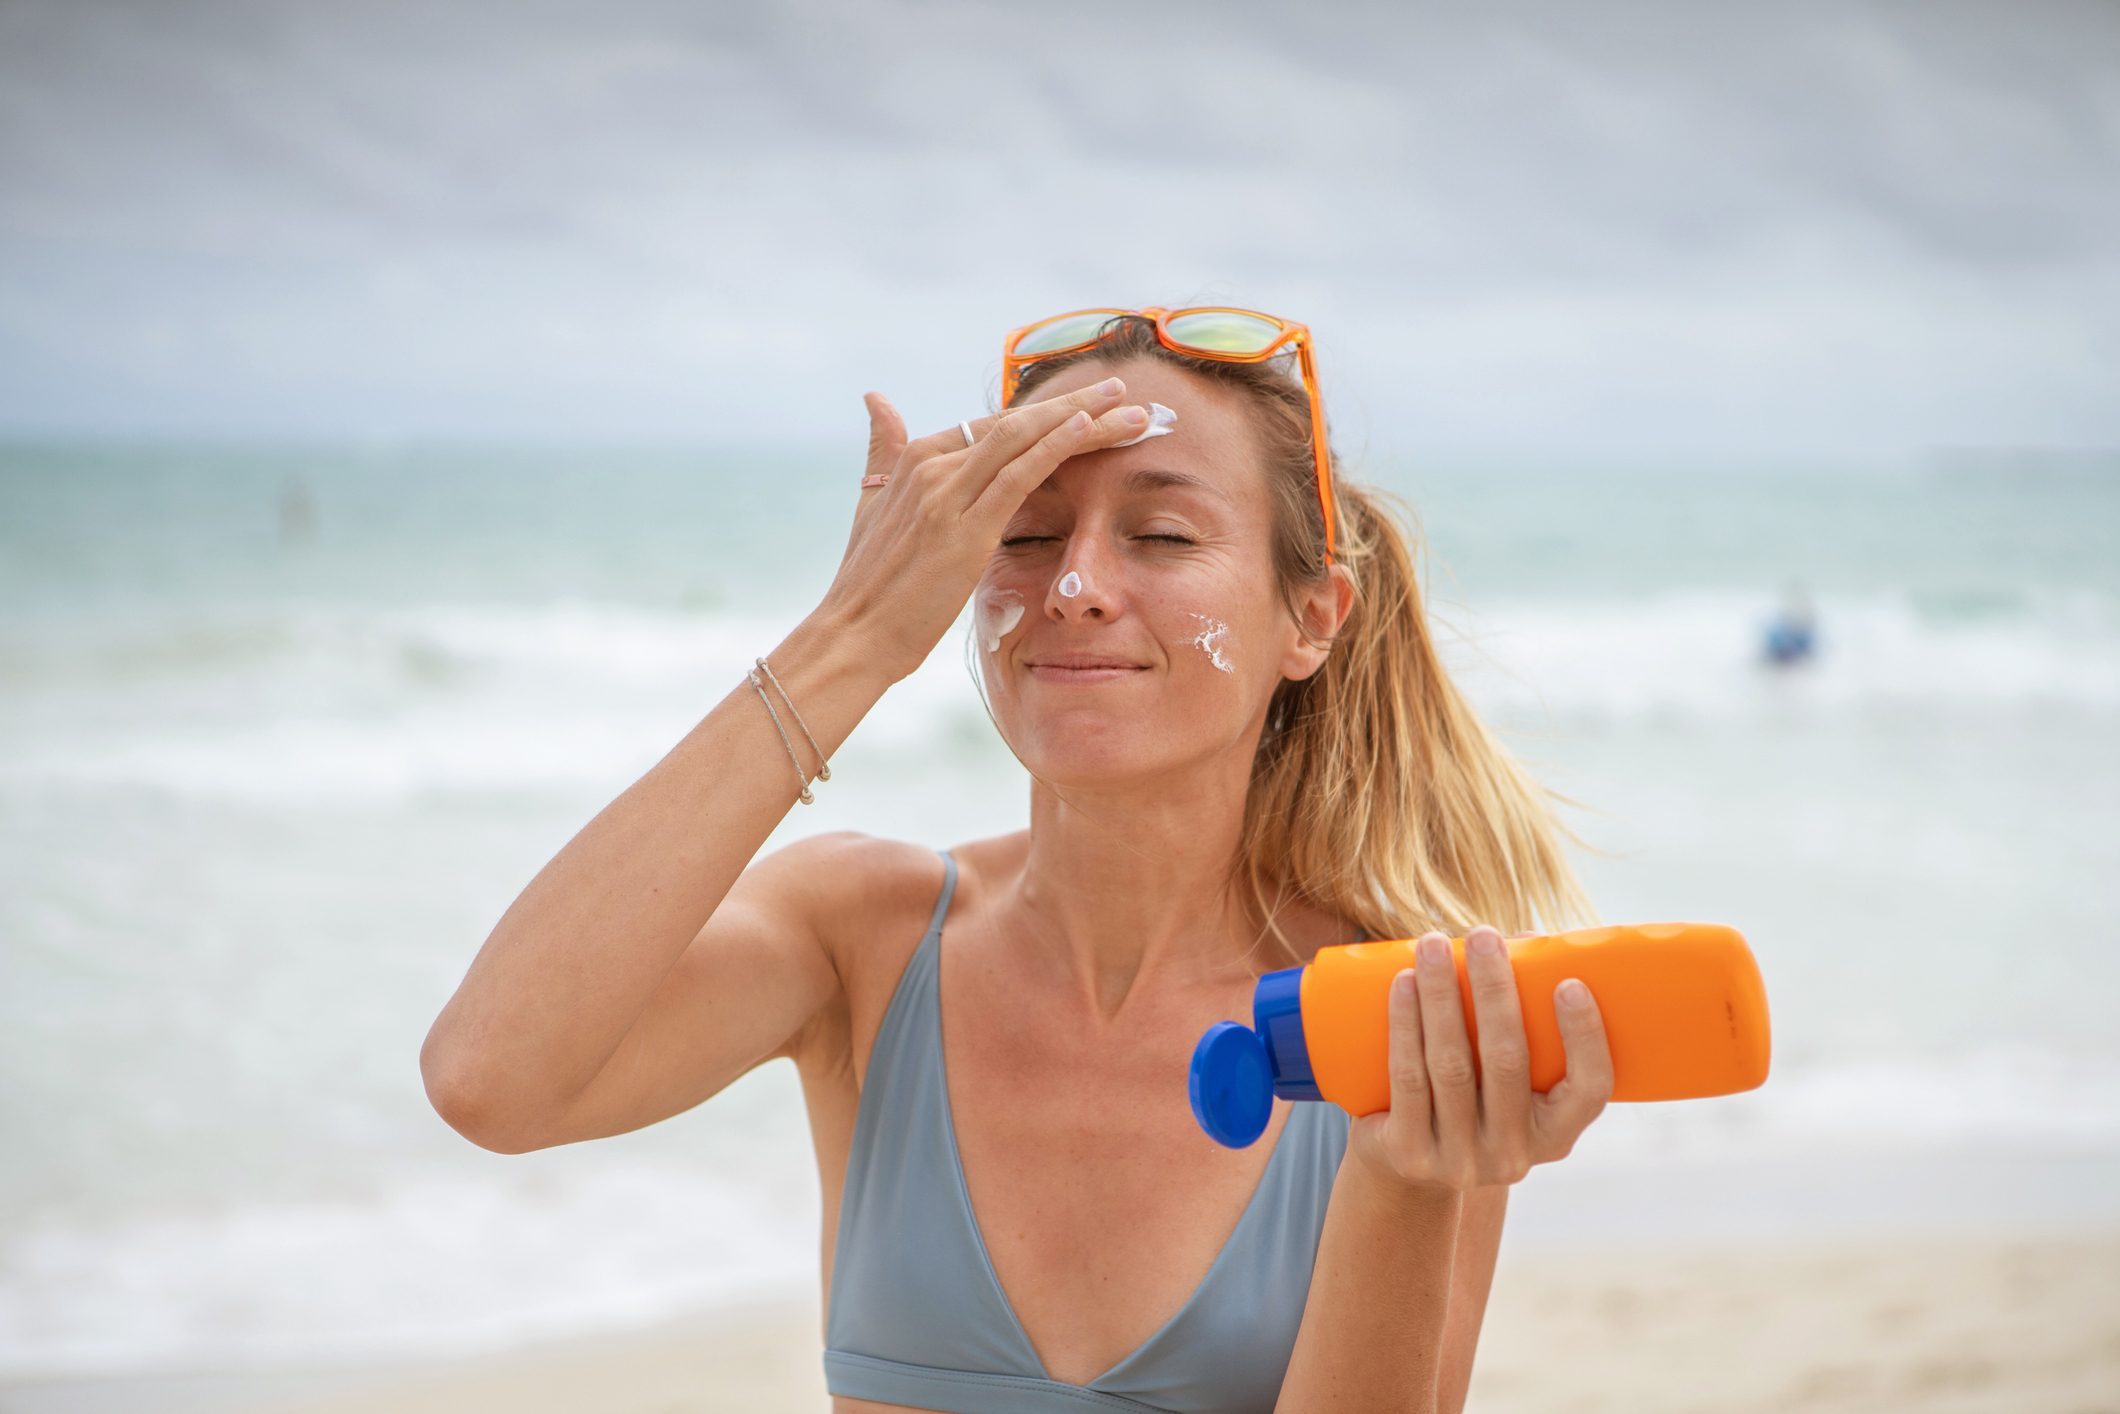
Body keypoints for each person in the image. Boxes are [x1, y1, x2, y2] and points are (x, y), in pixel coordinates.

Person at [421, 307, 1617, 1414]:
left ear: (1308, 618)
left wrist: (1406, 1184)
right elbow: (491, 1078)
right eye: (1025, 537)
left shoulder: (1397, 1013)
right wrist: (850, 640)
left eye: (1157, 533)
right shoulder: (863, 937)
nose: (1076, 586)